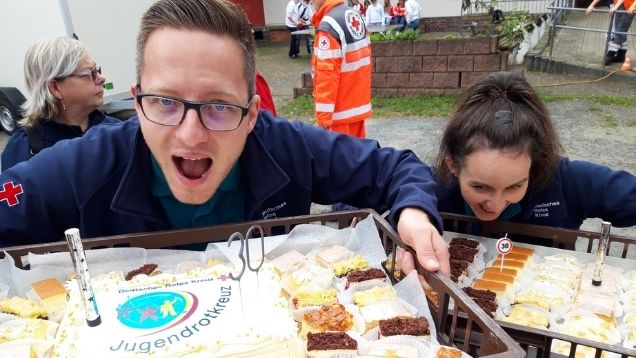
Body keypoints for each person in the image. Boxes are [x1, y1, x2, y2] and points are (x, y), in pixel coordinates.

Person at [0, 0, 448, 282]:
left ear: (253, 113)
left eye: (219, 105)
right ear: (136, 103)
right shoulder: (85, 164)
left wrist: (414, 213)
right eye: (165, 102)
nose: (191, 134)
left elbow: (397, 167)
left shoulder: (286, 147)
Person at [434, 71, 636, 234]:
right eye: (480, 187)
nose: (495, 205)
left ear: (534, 163)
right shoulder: (429, 190)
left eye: (514, 186)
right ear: (452, 166)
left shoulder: (568, 181)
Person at [1, 37, 119, 171]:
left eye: (97, 70)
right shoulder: (23, 149)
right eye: (89, 73)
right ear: (55, 88)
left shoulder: (116, 129)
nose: (102, 78)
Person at [311, 0, 372, 138]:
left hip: (338, 115)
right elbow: (365, 58)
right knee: (359, 156)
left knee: (339, 159)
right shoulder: (355, 15)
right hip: (357, 107)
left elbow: (326, 76)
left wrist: (323, 119)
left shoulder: (328, 25)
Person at [586, 0, 635, 65]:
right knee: (620, 31)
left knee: (620, 32)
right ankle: (621, 56)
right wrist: (591, 5)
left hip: (629, 6)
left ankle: (610, 55)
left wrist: (632, 6)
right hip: (620, 5)